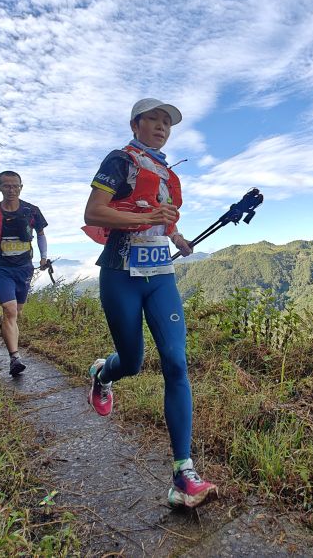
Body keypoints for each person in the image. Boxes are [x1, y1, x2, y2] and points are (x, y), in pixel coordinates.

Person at [83, 97, 217, 509]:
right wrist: (144, 221)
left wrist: (177, 238)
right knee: (133, 361)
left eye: (167, 123)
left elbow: (162, 218)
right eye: (154, 120)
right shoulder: (119, 161)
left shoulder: (163, 172)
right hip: (121, 275)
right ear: (135, 124)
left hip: (160, 277)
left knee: (177, 362)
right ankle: (103, 374)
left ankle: (183, 473)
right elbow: (95, 211)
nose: (162, 127)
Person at [0, 171, 49, 376]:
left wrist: (44, 257)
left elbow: (41, 235)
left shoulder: (31, 211)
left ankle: (3, 322)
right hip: (0, 267)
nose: (11, 190)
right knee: (10, 310)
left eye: (15, 186)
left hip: (24, 266)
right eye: (7, 186)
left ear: (21, 187)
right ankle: (15, 358)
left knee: (17, 312)